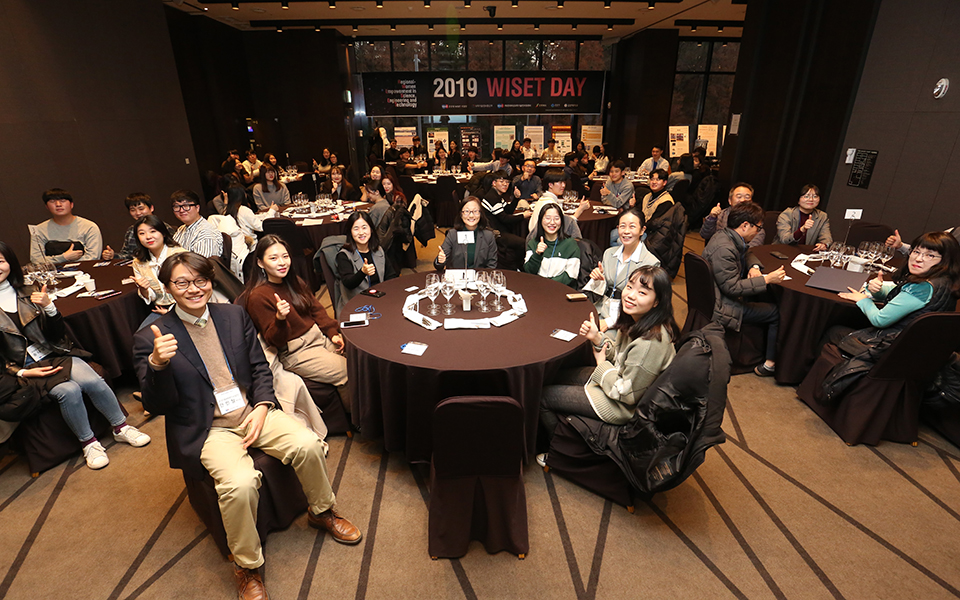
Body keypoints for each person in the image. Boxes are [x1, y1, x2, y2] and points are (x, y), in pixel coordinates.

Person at [134, 251, 361, 600]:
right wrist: (157, 364)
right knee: (240, 484)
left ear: (211, 282)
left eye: (201, 281)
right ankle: (247, 565)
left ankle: (322, 511)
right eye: (182, 283)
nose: (194, 289)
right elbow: (155, 404)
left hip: (253, 411)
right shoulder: (152, 336)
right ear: (167, 288)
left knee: (309, 443)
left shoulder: (232, 315)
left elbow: (259, 368)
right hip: (209, 429)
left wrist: (262, 406)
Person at [0, 242, 150, 469]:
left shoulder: (28, 291)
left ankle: (121, 427)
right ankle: (88, 442)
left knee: (91, 380)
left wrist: (50, 308)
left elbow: (55, 335)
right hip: (23, 367)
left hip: (53, 353)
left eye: (0, 261)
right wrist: (21, 371)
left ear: (10, 262)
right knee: (68, 391)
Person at [538, 265, 679, 455]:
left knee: (544, 397)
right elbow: (621, 357)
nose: (630, 295)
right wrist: (598, 339)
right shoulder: (637, 321)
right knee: (556, 375)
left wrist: (601, 363)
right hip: (616, 380)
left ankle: (558, 452)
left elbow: (626, 394)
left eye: (642, 292)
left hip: (621, 407)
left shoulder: (650, 343)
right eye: (629, 287)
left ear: (657, 302)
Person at [243, 236, 351, 403]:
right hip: (296, 351)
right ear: (260, 263)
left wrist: (332, 332)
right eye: (273, 258)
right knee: (346, 371)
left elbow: (315, 308)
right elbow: (274, 340)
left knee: (357, 357)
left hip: (317, 336)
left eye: (285, 256)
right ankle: (357, 421)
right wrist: (280, 318)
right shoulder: (258, 297)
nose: (282, 262)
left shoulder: (293, 281)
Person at [702, 202, 785, 377]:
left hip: (715, 297)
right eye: (759, 228)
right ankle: (769, 363)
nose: (759, 232)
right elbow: (732, 288)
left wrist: (754, 266)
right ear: (745, 225)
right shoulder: (725, 248)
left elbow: (747, 252)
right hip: (723, 306)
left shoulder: (725, 236)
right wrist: (767, 279)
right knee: (776, 312)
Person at [835, 231, 960, 338]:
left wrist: (863, 300)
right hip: (917, 346)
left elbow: (879, 320)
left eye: (930, 255)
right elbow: (904, 297)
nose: (918, 258)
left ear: (945, 260)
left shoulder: (923, 288)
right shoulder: (946, 281)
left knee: (834, 330)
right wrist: (878, 291)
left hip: (889, 347)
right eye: (916, 251)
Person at [588, 208, 660, 329]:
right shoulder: (609, 253)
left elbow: (644, 305)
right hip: (601, 308)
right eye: (622, 226)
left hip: (627, 319)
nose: (626, 231)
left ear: (642, 230)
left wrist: (610, 322)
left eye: (632, 227)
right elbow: (599, 291)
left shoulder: (650, 264)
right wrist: (598, 280)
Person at [132, 214, 188, 328]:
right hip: (161, 309)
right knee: (142, 337)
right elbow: (152, 297)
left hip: (185, 307)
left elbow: (190, 289)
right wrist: (143, 290)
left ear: (162, 232)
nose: (148, 237)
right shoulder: (138, 263)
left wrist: (173, 313)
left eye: (153, 231)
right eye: (142, 233)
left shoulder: (180, 255)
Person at [337, 212, 398, 308]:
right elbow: (348, 283)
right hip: (356, 304)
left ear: (371, 230)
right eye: (356, 229)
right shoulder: (344, 255)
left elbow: (391, 275)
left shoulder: (378, 250)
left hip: (380, 299)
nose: (361, 232)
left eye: (364, 227)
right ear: (350, 232)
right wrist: (362, 272)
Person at [30, 188, 103, 264]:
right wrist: (64, 257)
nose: (58, 205)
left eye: (63, 201)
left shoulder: (89, 227)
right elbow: (36, 260)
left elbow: (93, 257)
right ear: (47, 207)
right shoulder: (39, 230)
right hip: (52, 273)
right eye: (52, 201)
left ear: (71, 205)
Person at [104, 192, 174, 261]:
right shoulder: (131, 230)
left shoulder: (164, 228)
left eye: (141, 209)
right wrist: (113, 255)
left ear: (151, 208)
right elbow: (127, 254)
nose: (138, 213)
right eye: (133, 210)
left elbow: (172, 251)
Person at [523, 203, 580, 287]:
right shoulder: (533, 243)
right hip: (537, 288)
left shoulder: (570, 244)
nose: (552, 222)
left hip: (561, 290)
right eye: (548, 218)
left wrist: (548, 284)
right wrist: (537, 254)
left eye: (556, 218)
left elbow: (571, 275)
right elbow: (529, 272)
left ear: (561, 221)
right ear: (541, 220)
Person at [434, 196, 498, 271]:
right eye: (467, 211)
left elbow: (492, 264)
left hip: (479, 279)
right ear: (461, 214)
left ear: (480, 214)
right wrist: (440, 260)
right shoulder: (453, 234)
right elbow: (438, 265)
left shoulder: (488, 236)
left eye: (475, 211)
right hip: (457, 279)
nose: (471, 215)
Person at [483, 170, 530, 270]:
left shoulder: (497, 195)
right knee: (523, 243)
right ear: (494, 183)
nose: (505, 184)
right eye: (501, 181)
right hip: (496, 233)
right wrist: (523, 216)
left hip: (500, 228)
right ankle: (519, 267)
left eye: (507, 182)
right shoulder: (492, 197)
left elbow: (507, 210)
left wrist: (516, 198)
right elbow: (504, 218)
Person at [699, 183, 765, 248]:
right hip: (719, 249)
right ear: (730, 200)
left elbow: (754, 247)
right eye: (739, 197)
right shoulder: (721, 215)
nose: (743, 200)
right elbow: (705, 235)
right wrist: (712, 217)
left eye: (747, 197)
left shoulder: (756, 220)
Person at [775, 184, 833, 251]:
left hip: (805, 253)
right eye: (806, 196)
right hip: (783, 251)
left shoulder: (822, 216)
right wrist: (802, 229)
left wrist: (824, 245)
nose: (811, 199)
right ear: (798, 199)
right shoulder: (787, 214)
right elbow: (784, 239)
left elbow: (827, 238)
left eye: (815, 196)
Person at [376, 173, 412, 272]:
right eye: (384, 184)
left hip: (399, 229)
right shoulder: (385, 196)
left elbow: (398, 218)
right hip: (390, 226)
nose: (386, 186)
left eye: (388, 184)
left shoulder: (398, 197)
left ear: (393, 184)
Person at [171, 190, 223, 259]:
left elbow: (201, 266)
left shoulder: (206, 234)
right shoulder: (182, 229)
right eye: (177, 206)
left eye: (186, 206)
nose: (181, 210)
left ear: (197, 208)